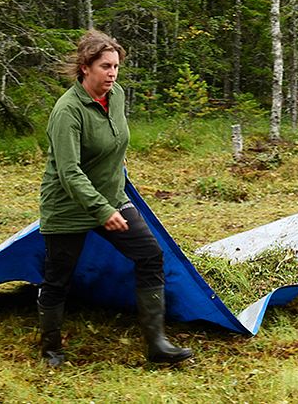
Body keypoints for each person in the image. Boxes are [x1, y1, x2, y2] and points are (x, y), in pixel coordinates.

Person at [37, 29, 192, 366]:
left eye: (116, 66)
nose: (112, 73)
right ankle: (51, 349)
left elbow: (113, 137)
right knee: (58, 278)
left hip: (111, 196)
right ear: (85, 68)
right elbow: (69, 171)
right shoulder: (67, 111)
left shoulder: (117, 95)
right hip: (67, 207)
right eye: (105, 66)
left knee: (150, 255)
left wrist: (115, 165)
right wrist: (101, 209)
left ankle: (157, 344)